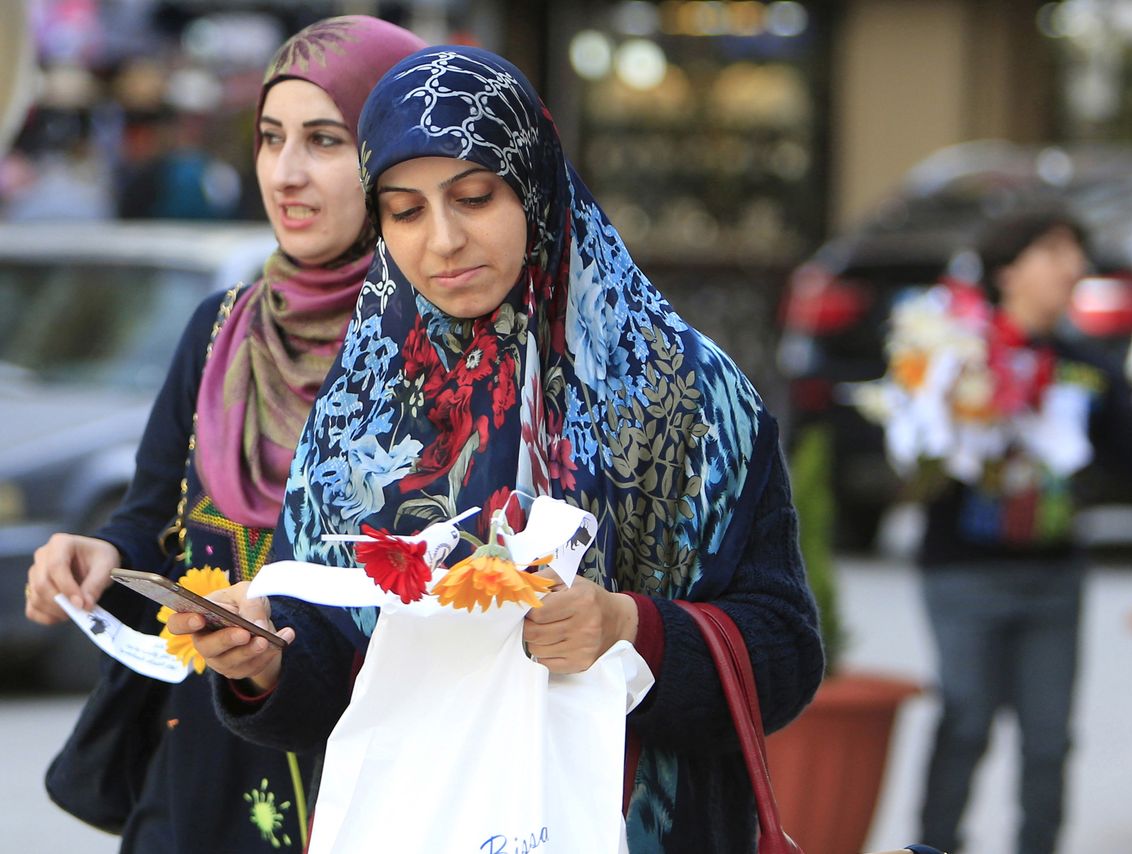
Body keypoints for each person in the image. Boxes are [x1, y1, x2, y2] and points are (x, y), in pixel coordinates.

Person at [166, 45, 834, 853]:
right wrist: (261, 662)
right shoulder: (364, 404)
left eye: (475, 197)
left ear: (536, 189)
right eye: (405, 212)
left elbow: (784, 658)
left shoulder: (683, 393)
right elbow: (341, 678)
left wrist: (630, 627)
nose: (442, 241)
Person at [23, 16, 427, 852]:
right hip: (203, 758)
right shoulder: (222, 330)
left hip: (363, 770)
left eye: (324, 141)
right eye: (271, 138)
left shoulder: (441, 352)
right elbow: (150, 519)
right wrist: (101, 559)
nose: (286, 173)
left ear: (390, 157)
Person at [912, 209, 1132, 854]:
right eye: (1053, 251)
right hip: (963, 571)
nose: (1072, 267)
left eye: (1076, 253)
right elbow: (907, 457)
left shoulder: (1087, 363)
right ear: (1009, 269)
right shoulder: (954, 354)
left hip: (1055, 575)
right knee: (966, 722)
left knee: (1049, 741)